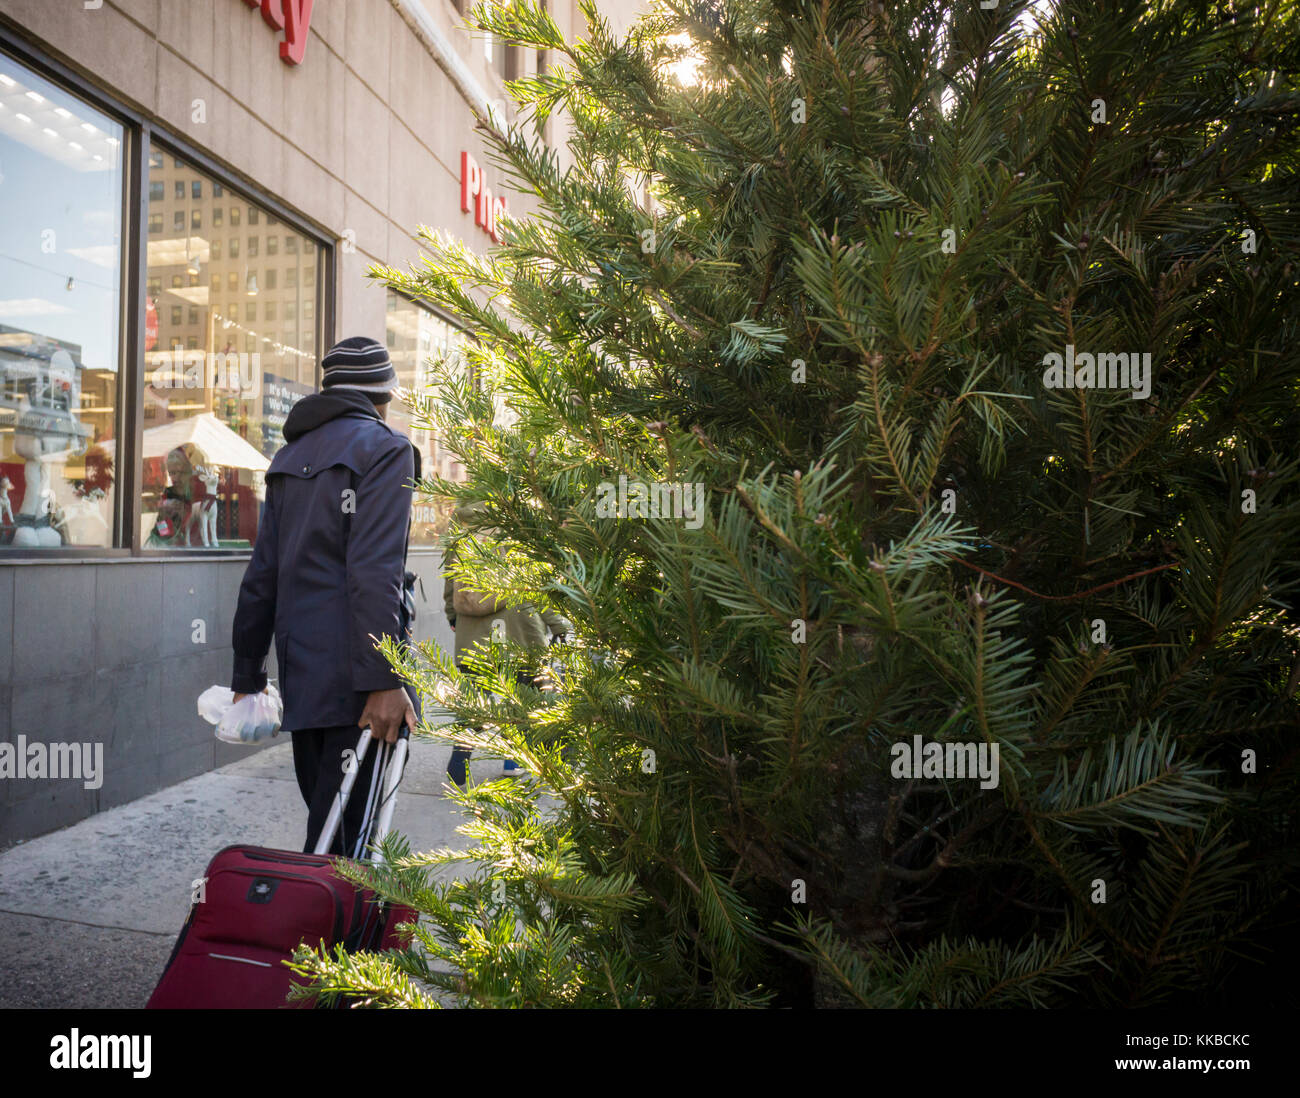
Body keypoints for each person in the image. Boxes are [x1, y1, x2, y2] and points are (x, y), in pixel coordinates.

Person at [230, 336, 418, 856]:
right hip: (361, 692)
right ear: (382, 396)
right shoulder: (387, 449)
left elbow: (261, 575)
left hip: (306, 686)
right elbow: (376, 569)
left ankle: (316, 932)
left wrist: (247, 676)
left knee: (328, 837)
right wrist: (384, 680)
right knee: (346, 855)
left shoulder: (290, 456)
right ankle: (315, 937)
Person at [442, 501, 571, 790]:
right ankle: (514, 763)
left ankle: (460, 758)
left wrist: (453, 615)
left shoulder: (461, 533)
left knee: (474, 700)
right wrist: (558, 624)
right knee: (522, 698)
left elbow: (450, 584)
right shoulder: (518, 530)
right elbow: (539, 586)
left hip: (473, 636)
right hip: (520, 633)